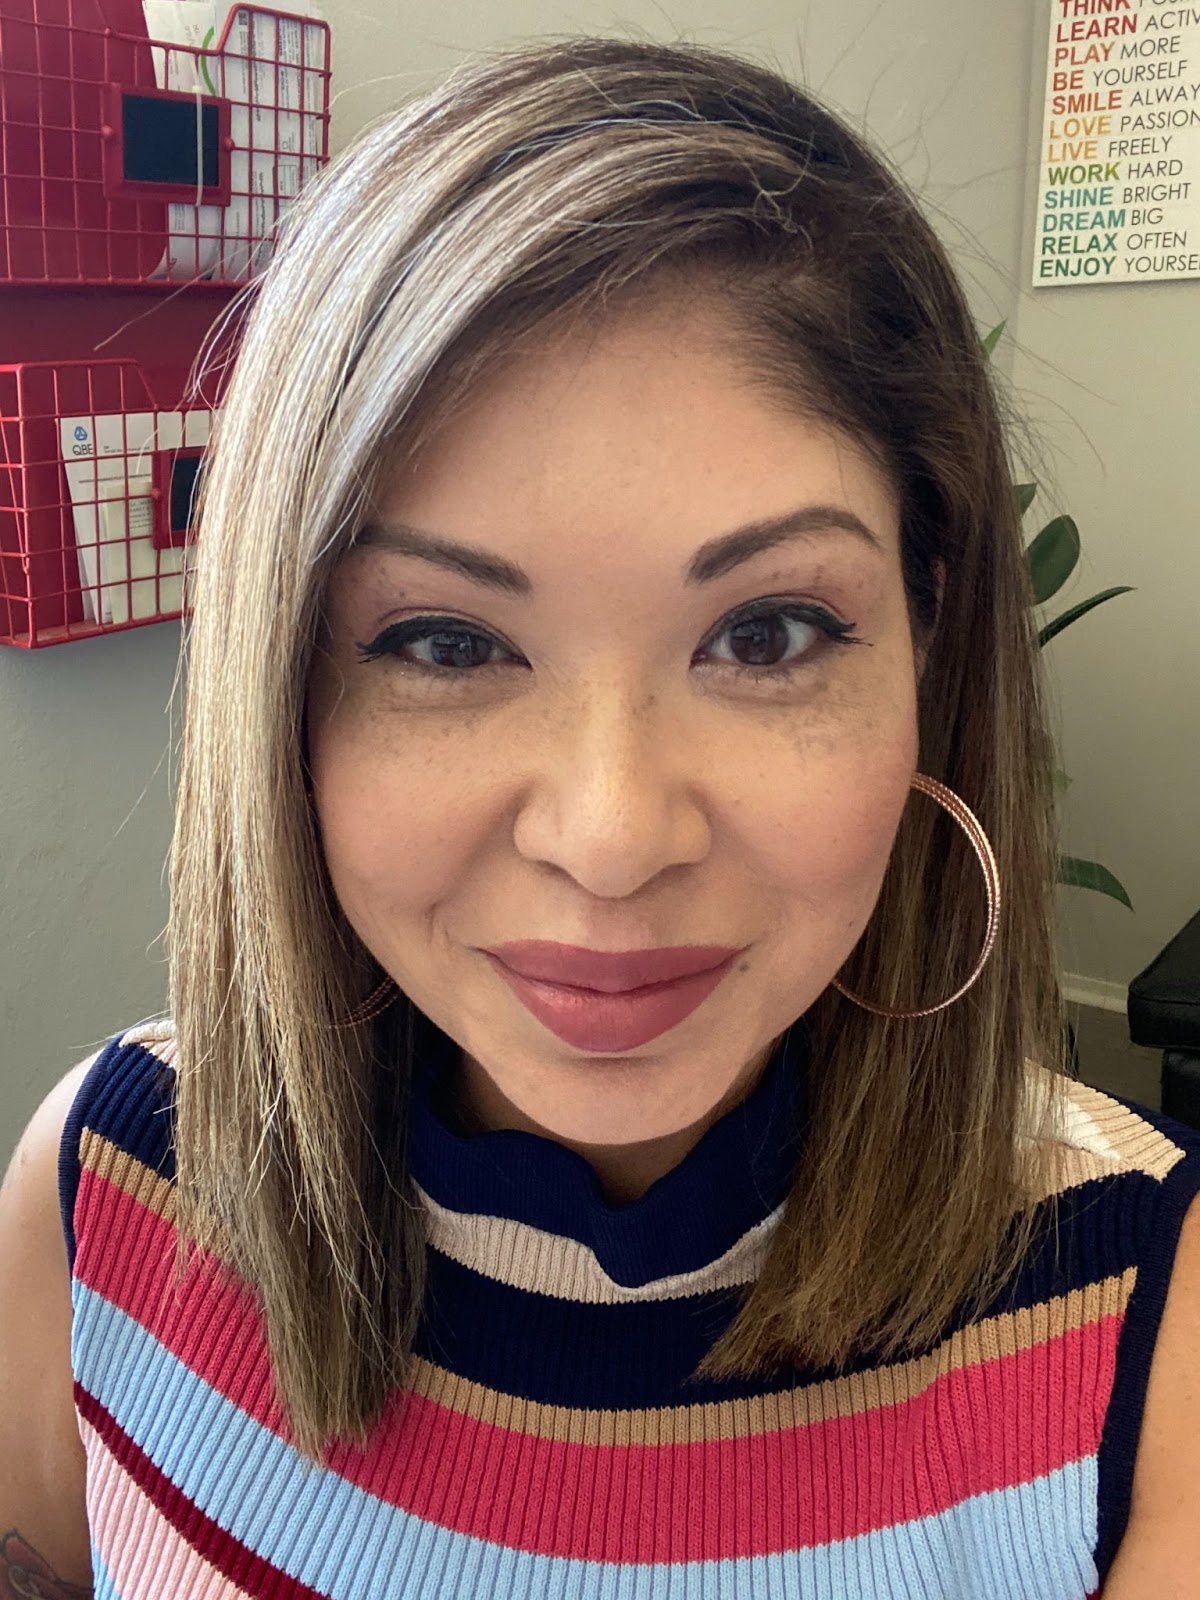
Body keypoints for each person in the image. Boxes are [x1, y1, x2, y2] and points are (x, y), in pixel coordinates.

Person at [2, 35, 1198, 1599]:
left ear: (929, 647)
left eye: (768, 634)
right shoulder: (105, 1181)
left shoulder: (1148, 1318)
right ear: (282, 698)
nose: (614, 838)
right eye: (444, 643)